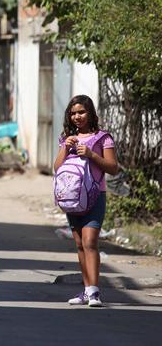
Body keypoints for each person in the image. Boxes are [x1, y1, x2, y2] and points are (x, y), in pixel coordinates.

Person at [53, 95, 118, 308]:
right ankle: (87, 290)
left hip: (95, 196)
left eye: (81, 112)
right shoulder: (67, 138)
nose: (77, 117)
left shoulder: (103, 138)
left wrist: (91, 154)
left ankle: (95, 292)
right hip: (72, 199)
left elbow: (112, 167)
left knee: (90, 242)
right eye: (73, 113)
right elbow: (57, 168)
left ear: (90, 113)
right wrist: (65, 147)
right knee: (80, 244)